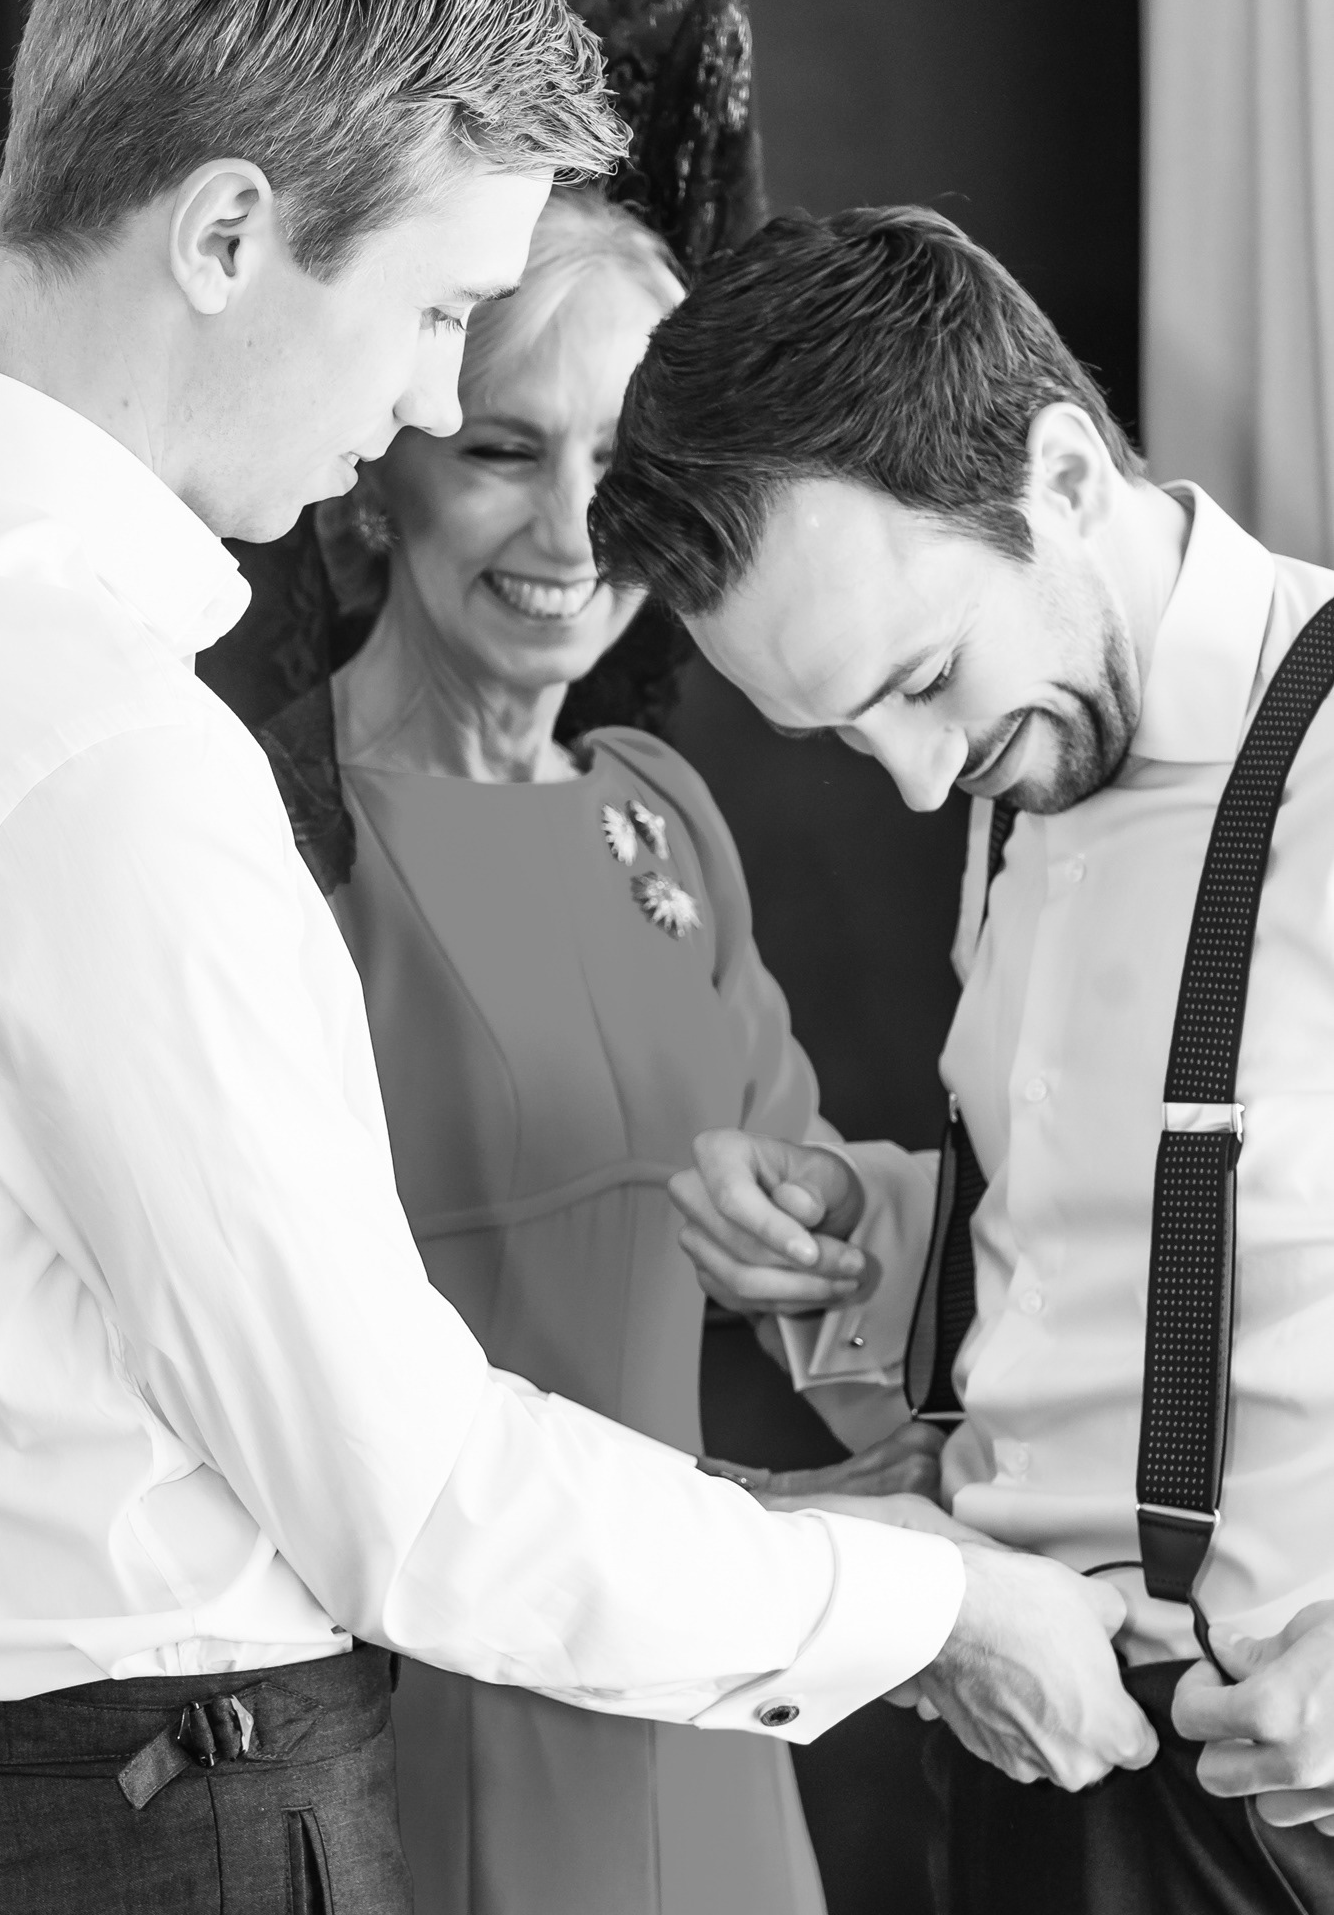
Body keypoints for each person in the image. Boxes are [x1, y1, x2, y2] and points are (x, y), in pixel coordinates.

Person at [0, 0, 1150, 1912]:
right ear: (230, 236)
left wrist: (872, 1352)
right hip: (243, 1779)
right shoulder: (126, 768)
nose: (429, 409)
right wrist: (925, 1603)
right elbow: (415, 1495)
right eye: (443, 318)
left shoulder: (93, 704)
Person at [591, 202, 1334, 1914]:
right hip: (1026, 1763)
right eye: (844, 733)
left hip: (1280, 1808)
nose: (919, 781)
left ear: (1060, 477)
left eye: (922, 682)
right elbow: (1142, 1236)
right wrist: (868, 1233)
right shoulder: (1024, 761)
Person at [273, 181, 874, 1915]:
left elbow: (823, 1283)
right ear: (380, 470)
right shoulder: (276, 834)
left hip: (712, 1696)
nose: (570, 525)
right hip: (435, 1728)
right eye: (501, 450)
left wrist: (834, 1244)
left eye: (617, 461)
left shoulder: (661, 815)